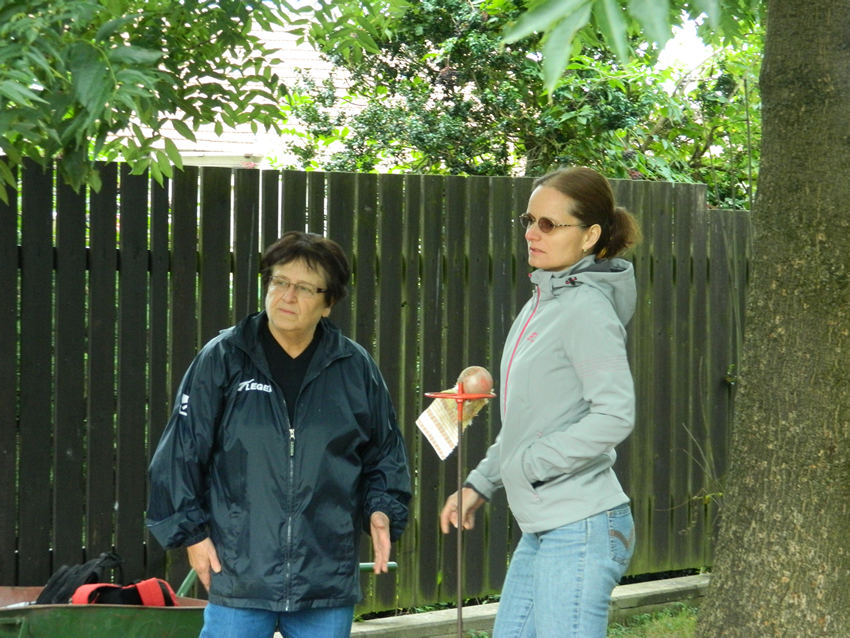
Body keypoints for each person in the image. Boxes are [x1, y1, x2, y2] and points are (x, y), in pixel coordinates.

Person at [147, 231, 411, 638]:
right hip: (238, 575)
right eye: (279, 282)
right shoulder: (224, 358)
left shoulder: (354, 368)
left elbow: (385, 455)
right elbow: (180, 452)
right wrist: (193, 536)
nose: (287, 296)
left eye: (304, 288)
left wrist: (382, 509)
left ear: (328, 302)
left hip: (325, 581)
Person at [440, 166, 641, 637]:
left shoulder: (587, 309)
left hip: (582, 526)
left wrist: (531, 465)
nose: (532, 233)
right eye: (529, 220)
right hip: (547, 527)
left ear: (590, 236)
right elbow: (527, 423)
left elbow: (615, 415)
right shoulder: (541, 303)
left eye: (549, 224)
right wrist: (480, 483)